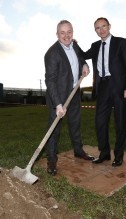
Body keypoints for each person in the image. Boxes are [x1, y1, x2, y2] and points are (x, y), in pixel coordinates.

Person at [81, 17, 126, 167]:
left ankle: (118, 156)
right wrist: (73, 43)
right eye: (98, 28)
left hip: (119, 87)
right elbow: (83, 55)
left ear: (109, 26)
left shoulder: (121, 42)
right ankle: (104, 153)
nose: (101, 30)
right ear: (95, 31)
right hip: (103, 87)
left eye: (103, 26)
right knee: (100, 122)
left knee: (120, 123)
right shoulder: (95, 46)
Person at [44, 20, 94, 176]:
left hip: (73, 93)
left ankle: (78, 151)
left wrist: (84, 64)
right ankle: (51, 160)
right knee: (54, 130)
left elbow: (79, 57)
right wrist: (58, 104)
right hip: (58, 97)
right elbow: (50, 80)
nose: (66, 36)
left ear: (73, 32)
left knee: (75, 124)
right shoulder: (52, 53)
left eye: (69, 32)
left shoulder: (75, 45)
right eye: (62, 32)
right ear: (57, 34)